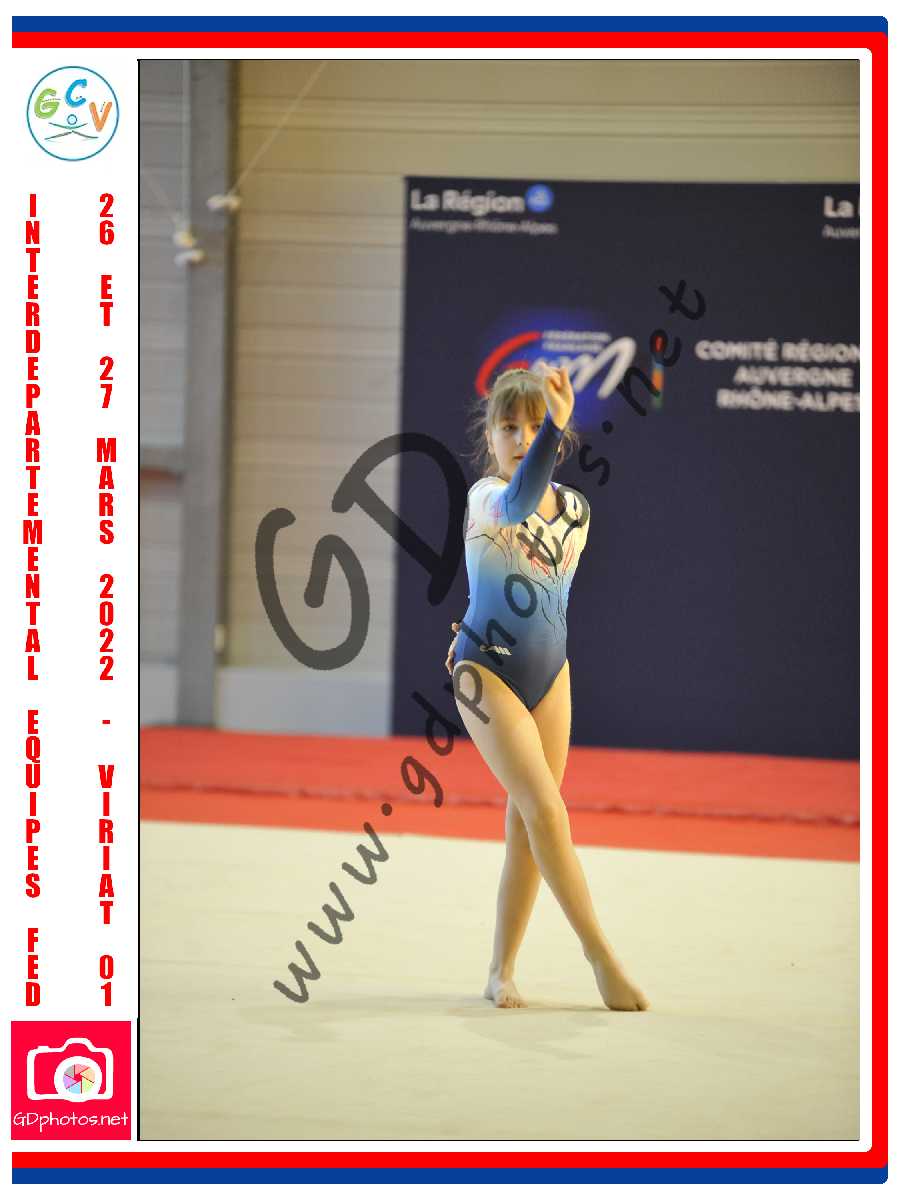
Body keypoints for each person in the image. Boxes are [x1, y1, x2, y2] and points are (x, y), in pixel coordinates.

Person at [447, 365, 650, 1012]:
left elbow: (543, 597)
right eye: (508, 426)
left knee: (529, 823)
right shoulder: (487, 496)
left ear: (556, 440)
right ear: (489, 435)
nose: (520, 438)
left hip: (550, 674)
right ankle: (601, 956)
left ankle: (500, 970)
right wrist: (556, 424)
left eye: (535, 427)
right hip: (485, 672)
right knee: (547, 812)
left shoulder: (578, 511)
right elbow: (516, 508)